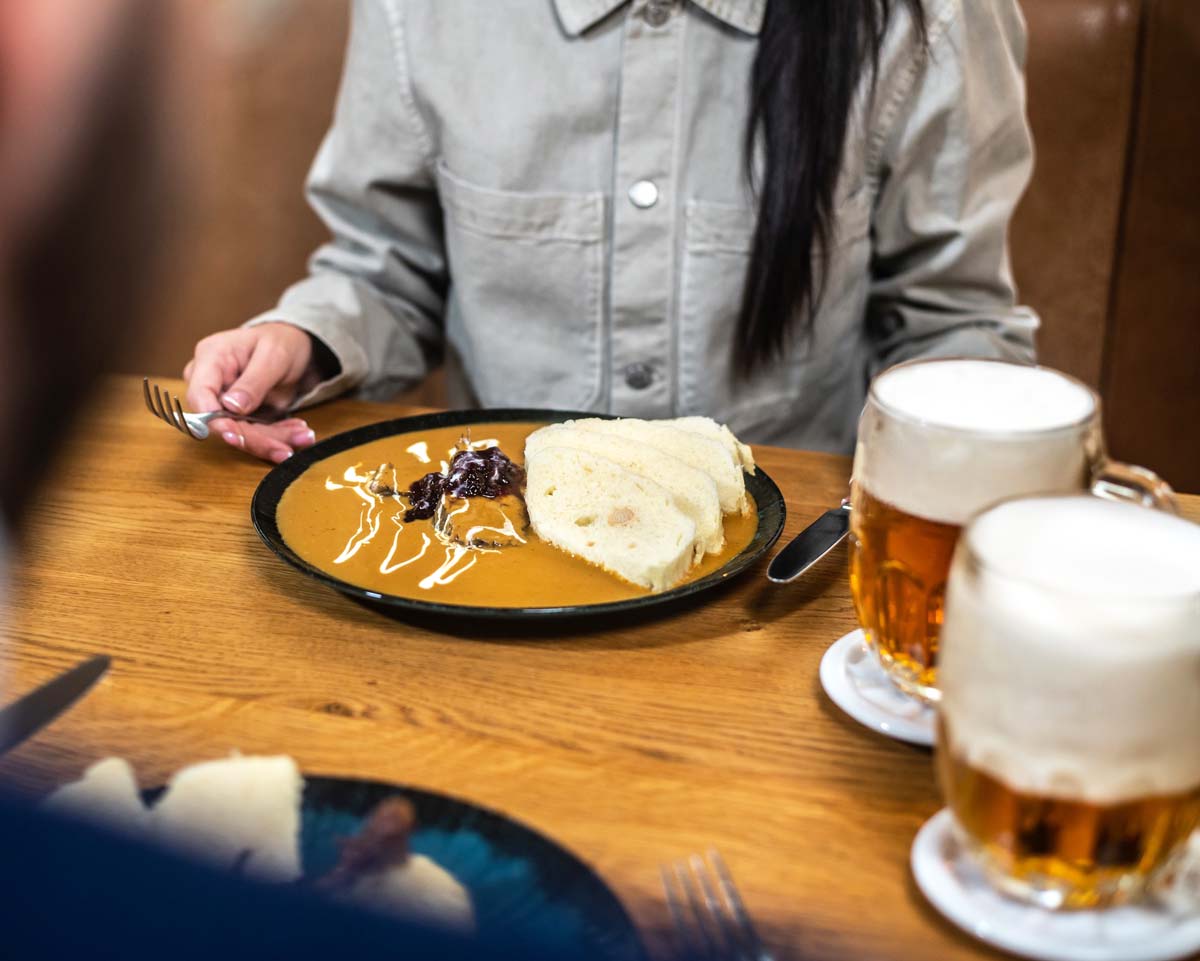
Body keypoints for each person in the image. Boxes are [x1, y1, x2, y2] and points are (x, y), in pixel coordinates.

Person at [184, 0, 1038, 464]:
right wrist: (304, 340)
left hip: (778, 584)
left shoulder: (932, 18)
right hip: (489, 542)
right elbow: (387, 268)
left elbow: (951, 323)